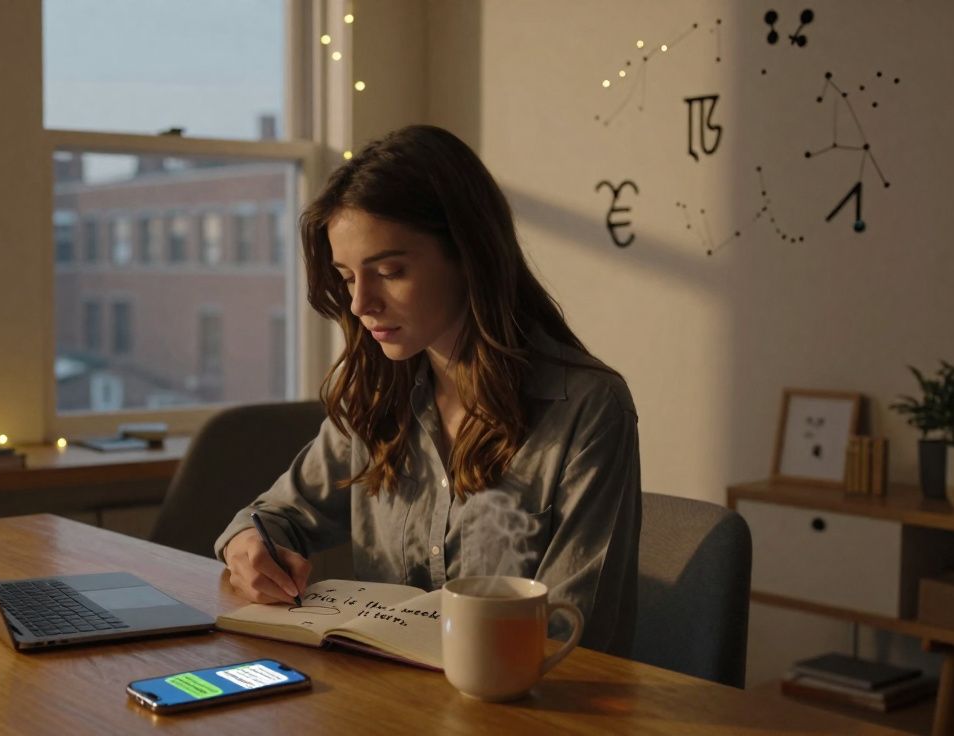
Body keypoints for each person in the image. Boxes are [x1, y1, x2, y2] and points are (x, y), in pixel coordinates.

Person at [213, 125, 641, 656]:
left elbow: (572, 634)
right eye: (347, 277)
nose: (360, 304)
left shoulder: (587, 409)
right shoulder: (373, 399)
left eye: (389, 271)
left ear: (469, 255)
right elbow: (269, 516)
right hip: (389, 700)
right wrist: (249, 547)